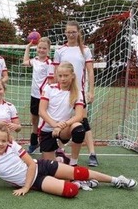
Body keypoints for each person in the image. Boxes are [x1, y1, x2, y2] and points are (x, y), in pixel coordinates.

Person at [0, 124, 137, 198]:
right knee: (71, 191)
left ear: (8, 140)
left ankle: (116, 180)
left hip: (39, 166)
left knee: (78, 171)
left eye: (3, 140)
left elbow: (29, 164)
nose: (0, 144)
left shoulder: (12, 145)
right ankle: (81, 183)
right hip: (37, 180)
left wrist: (26, 188)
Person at [53, 20, 99, 167]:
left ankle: (92, 153)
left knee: (83, 122)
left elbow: (90, 71)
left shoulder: (84, 50)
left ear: (78, 32)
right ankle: (60, 149)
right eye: (68, 32)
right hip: (63, 93)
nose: (71, 34)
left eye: (74, 31)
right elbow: (55, 72)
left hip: (79, 92)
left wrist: (91, 90)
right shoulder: (60, 50)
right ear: (65, 33)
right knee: (62, 119)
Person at [38, 61, 85, 167]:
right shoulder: (49, 88)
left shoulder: (77, 92)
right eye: (60, 76)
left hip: (63, 129)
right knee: (50, 167)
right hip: (47, 130)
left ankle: (73, 163)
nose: (63, 79)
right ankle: (60, 158)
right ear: (56, 76)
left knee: (79, 129)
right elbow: (42, 111)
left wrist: (61, 126)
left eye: (66, 76)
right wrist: (55, 125)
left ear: (72, 76)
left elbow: (79, 116)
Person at [22, 37, 54, 154]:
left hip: (44, 97)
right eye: (39, 48)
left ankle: (48, 143)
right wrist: (27, 48)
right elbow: (25, 62)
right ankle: (34, 143)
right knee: (34, 120)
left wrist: (47, 95)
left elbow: (51, 82)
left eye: (44, 48)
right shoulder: (35, 60)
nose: (41, 50)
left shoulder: (49, 63)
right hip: (34, 95)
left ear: (48, 49)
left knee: (45, 121)